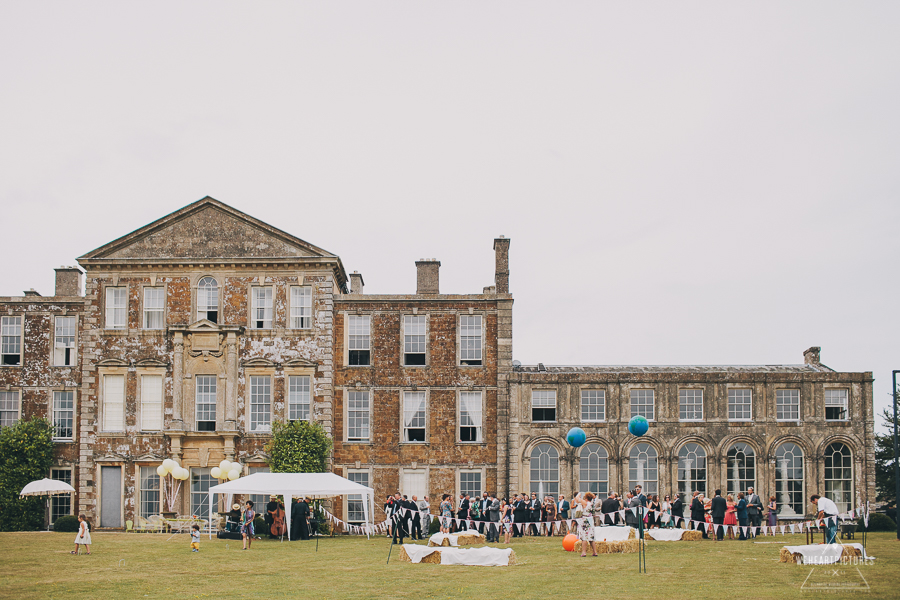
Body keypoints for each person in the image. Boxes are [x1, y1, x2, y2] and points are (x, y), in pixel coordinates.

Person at [577, 492, 599, 557]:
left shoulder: (585, 503)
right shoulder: (592, 504)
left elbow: (577, 499)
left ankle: (584, 552)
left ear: (586, 498)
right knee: (591, 537)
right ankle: (595, 552)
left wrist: (579, 494)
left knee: (584, 537)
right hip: (590, 520)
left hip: (585, 520)